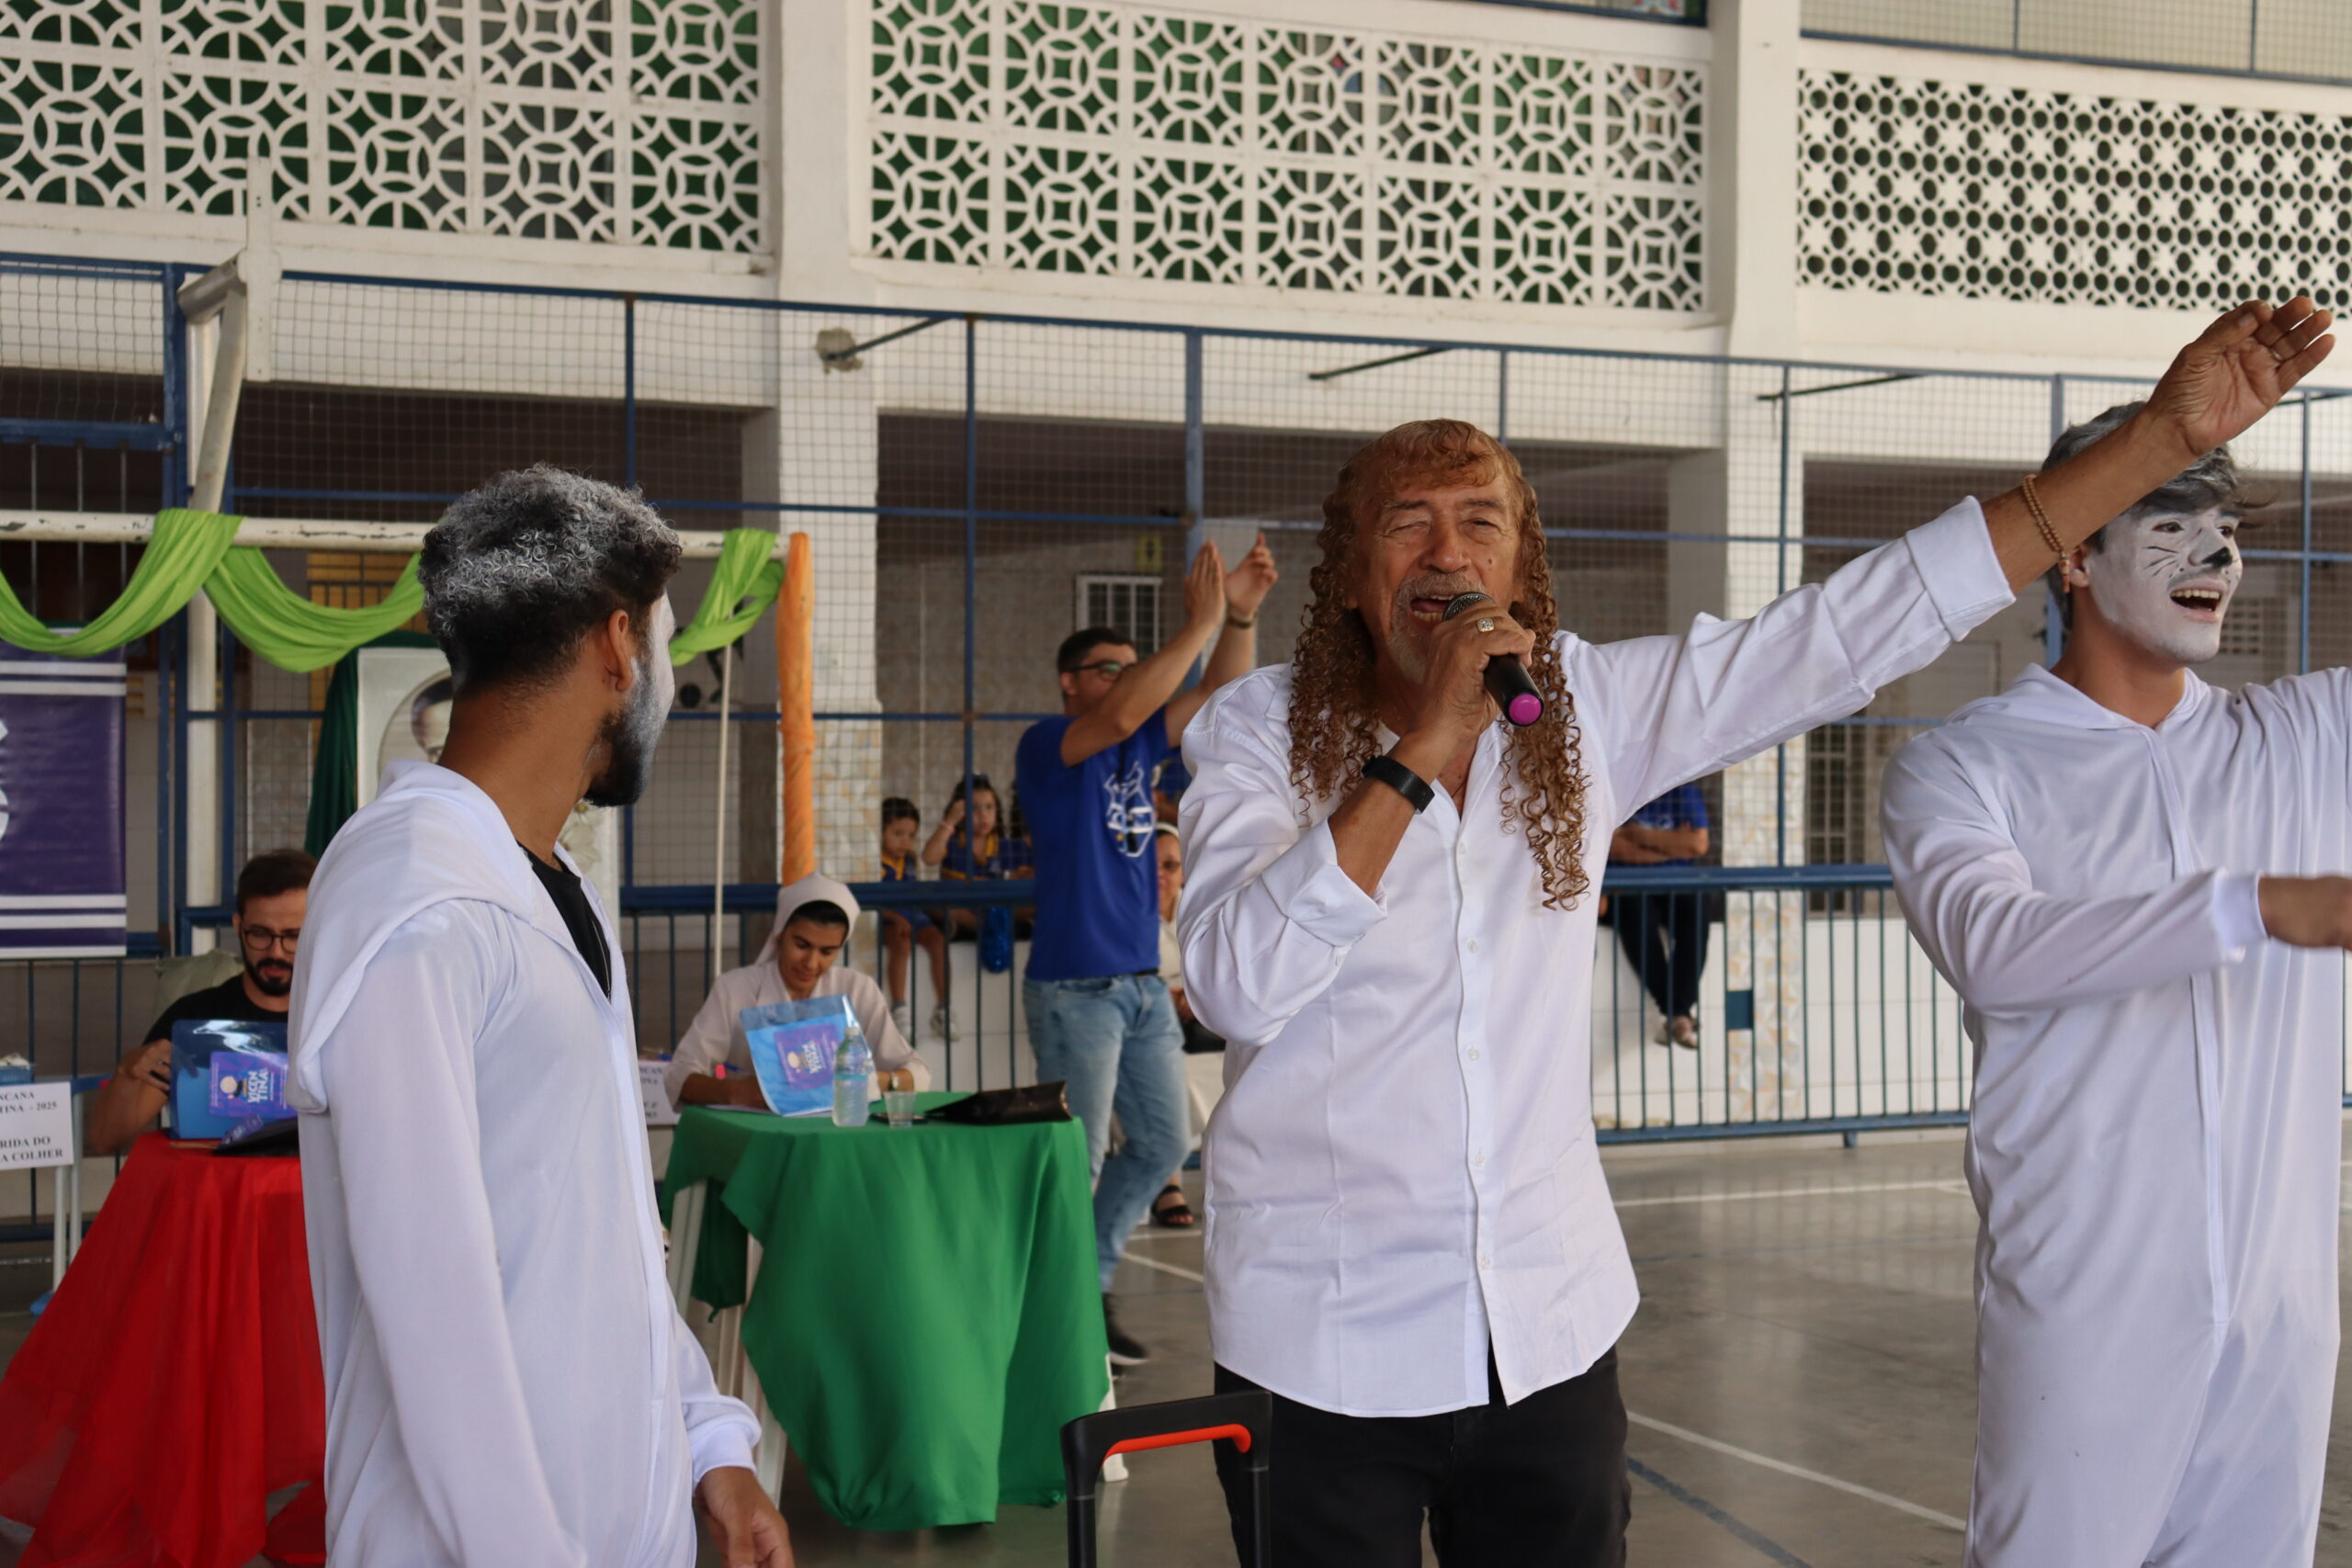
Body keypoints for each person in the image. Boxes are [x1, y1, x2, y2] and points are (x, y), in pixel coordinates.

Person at [1174, 298, 2332, 1568]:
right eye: (1409, 524)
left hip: (1546, 1327)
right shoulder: (1258, 734)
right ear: (1351, 573)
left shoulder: (1588, 711)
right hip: (1322, 1346)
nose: (1447, 550)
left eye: (1481, 521)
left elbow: (1848, 630)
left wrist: (2158, 441)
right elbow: (1233, 983)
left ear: (1520, 570)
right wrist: (1424, 749)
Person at [1880, 388, 2352, 1568]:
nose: (2216, 556)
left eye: (2226, 528)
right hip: (2087, 1310)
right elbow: (1997, 949)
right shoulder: (1962, 767)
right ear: (2074, 558)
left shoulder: (2306, 739)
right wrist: (2255, 905)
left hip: (2281, 1316)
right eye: (2169, 522)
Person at [288, 466, 791, 1568]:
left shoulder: (551, 889)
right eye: (666, 645)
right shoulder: (419, 905)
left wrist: (707, 1441)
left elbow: (600, 1233)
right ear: (618, 648)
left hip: (615, 1514)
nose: (668, 684)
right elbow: (434, 1309)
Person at [1015, 530, 1279, 1366]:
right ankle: (1054, 1314)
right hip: (1076, 991)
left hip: (1137, 986)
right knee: (1080, 1158)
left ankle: (1084, 1287)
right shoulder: (1047, 746)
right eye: (1110, 668)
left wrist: (1237, 616)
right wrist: (1198, 622)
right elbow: (1128, 707)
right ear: (1071, 681)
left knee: (1165, 1142)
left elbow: (1221, 694)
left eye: (1133, 667)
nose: (1127, 678)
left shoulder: (1137, 747)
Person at [86, 849, 314, 1156]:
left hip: (307, 1187)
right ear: (238, 927)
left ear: (317, 931)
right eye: (260, 934)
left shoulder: (338, 1020)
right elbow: (107, 1140)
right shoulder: (195, 1021)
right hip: (220, 1185)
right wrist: (127, 1072)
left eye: (293, 936)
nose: (275, 952)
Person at [666, 873, 923, 1109]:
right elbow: (679, 1075)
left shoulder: (857, 991)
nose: (811, 963)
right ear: (780, 934)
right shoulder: (735, 989)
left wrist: (873, 1081)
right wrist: (738, 1092)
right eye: (801, 945)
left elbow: (917, 1072)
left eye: (827, 952)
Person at [1150, 821, 1223, 1231]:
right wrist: (1170, 998)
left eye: (1170, 865)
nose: (1160, 874)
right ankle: (1168, 1182)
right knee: (1164, 1070)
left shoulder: (1199, 908)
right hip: (1150, 1025)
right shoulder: (1126, 913)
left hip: (1202, 1023)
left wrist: (1196, 998)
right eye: (1151, 865)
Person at [1606, 784, 1713, 1049]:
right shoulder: (1620, 787)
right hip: (1628, 882)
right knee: (1636, 917)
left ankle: (1676, 1013)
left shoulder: (1682, 791)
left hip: (1677, 883)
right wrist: (1672, 845)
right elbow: (1614, 847)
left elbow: (1697, 845)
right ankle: (1679, 1014)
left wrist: (1638, 834)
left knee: (1697, 911)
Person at [877, 798, 948, 1043]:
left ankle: (944, 1008)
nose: (904, 841)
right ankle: (900, 1008)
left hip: (912, 915)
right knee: (902, 944)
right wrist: (895, 917)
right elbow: (873, 904)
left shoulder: (911, 859)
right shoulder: (875, 863)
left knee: (938, 941)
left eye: (911, 835)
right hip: (888, 918)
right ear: (880, 831)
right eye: (897, 834)